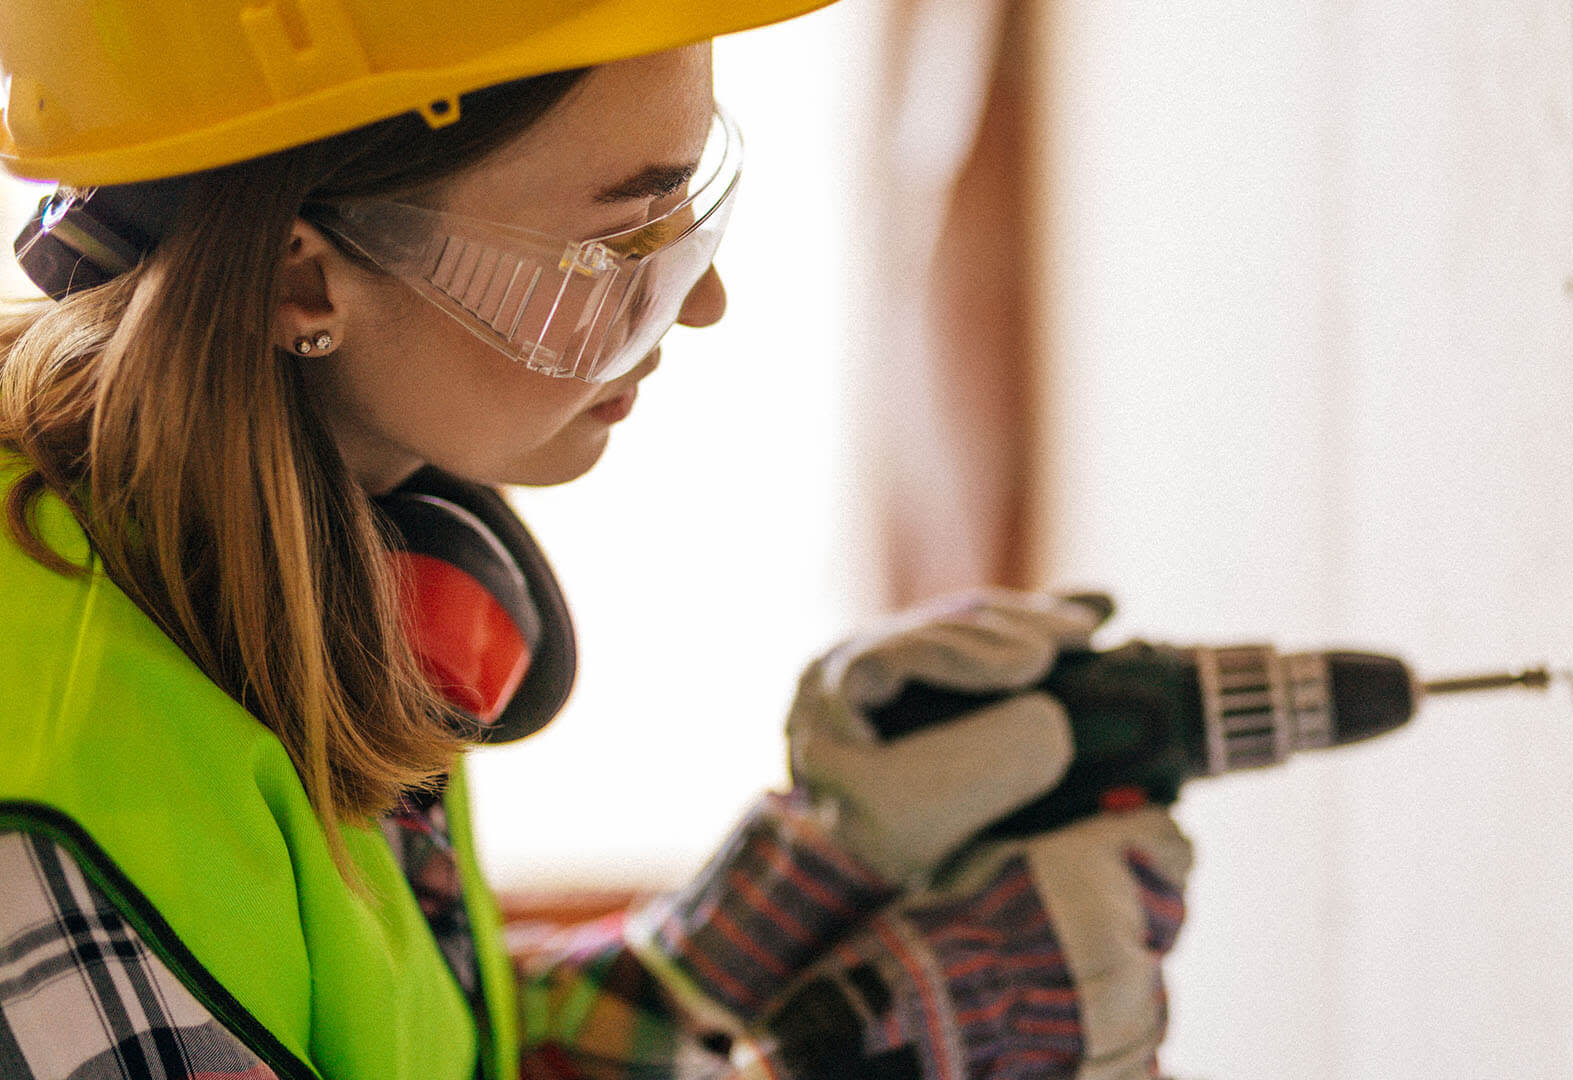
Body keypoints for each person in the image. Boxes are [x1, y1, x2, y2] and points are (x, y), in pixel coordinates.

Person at [0, 3, 1191, 1078]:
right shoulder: (47, 818)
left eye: (692, 205)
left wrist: (787, 894)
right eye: (619, 242)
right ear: (299, 280)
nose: (702, 300)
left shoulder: (297, 565)